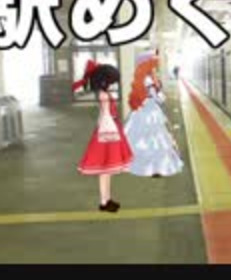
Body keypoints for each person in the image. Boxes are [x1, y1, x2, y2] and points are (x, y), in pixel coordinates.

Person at [72, 61, 133, 212]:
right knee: (105, 170)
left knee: (106, 170)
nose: (112, 83)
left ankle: (106, 200)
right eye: (111, 81)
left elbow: (102, 116)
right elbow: (105, 115)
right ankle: (104, 201)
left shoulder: (102, 94)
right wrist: (109, 132)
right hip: (108, 132)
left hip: (106, 130)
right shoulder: (104, 95)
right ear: (104, 80)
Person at [125, 53, 184, 178]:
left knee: (139, 137)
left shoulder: (138, 79)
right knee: (155, 140)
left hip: (140, 111)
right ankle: (155, 168)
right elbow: (158, 98)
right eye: (152, 64)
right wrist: (161, 95)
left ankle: (139, 164)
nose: (154, 68)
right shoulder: (150, 81)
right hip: (151, 111)